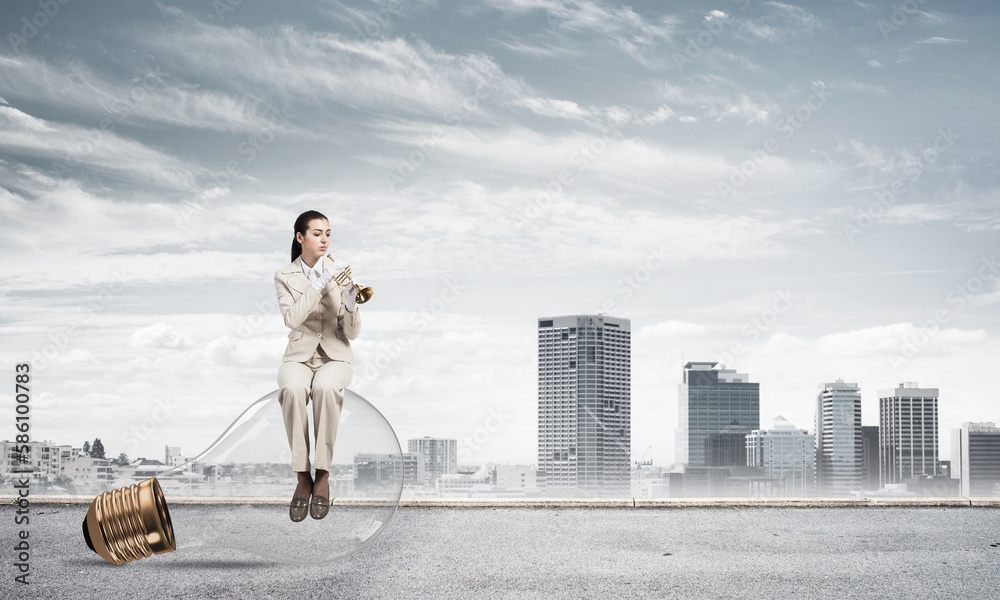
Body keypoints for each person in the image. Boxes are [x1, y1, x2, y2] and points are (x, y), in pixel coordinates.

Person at [274, 210, 363, 522]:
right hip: (298, 354)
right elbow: (291, 318)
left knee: (325, 387)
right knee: (291, 388)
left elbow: (351, 332)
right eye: (317, 233)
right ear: (300, 237)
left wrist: (351, 305)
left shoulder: (341, 274)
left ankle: (322, 474)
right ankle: (302, 476)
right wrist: (321, 283)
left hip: (335, 355)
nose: (324, 239)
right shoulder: (284, 276)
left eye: (328, 233)